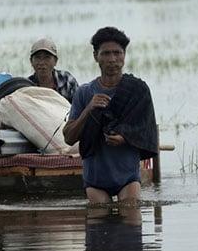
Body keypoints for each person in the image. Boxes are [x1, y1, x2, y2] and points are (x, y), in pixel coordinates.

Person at [63, 26, 159, 203]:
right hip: (95, 178)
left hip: (128, 176)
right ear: (96, 56)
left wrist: (125, 137)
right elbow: (69, 138)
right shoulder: (85, 93)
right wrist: (88, 109)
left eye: (118, 53)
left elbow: (146, 131)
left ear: (124, 55)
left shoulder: (138, 91)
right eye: (106, 54)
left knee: (130, 216)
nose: (112, 60)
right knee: (99, 220)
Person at [28, 38, 78, 103]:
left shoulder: (66, 80)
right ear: (31, 61)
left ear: (55, 61)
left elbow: (79, 107)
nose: (42, 62)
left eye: (47, 57)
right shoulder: (27, 86)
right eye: (38, 57)